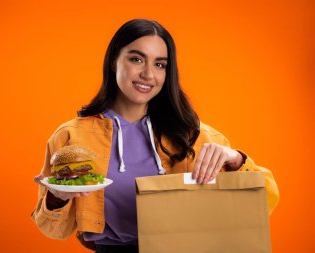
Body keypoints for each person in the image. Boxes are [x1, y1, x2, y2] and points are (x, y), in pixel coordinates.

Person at [31, 19, 279, 253]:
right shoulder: (71, 137)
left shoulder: (195, 135)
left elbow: (265, 200)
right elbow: (52, 228)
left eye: (160, 64)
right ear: (113, 60)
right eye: (137, 59)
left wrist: (235, 159)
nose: (149, 74)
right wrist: (56, 197)